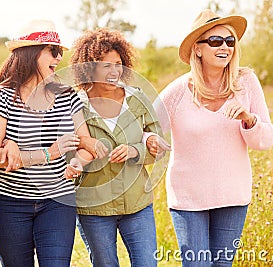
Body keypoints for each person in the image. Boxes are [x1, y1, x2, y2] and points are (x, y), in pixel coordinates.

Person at [150, 9, 273, 266]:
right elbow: (144, 126)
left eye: (230, 41)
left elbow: (265, 140)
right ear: (197, 49)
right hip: (188, 199)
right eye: (216, 41)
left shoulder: (247, 83)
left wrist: (248, 119)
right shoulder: (178, 91)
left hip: (233, 196)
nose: (225, 47)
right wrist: (149, 141)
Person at [0, 19, 94, 267]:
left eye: (60, 52)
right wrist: (49, 153)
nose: (58, 58)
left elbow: (85, 144)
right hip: (9, 202)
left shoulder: (67, 96)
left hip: (57, 200)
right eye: (52, 51)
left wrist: (78, 162)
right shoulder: (0, 96)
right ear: (30, 54)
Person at [70, 28, 166, 267]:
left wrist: (136, 150)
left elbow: (159, 145)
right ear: (89, 68)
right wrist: (85, 148)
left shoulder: (138, 98)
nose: (115, 72)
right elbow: (69, 151)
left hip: (137, 204)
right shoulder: (75, 106)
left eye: (118, 64)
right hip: (94, 208)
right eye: (106, 66)